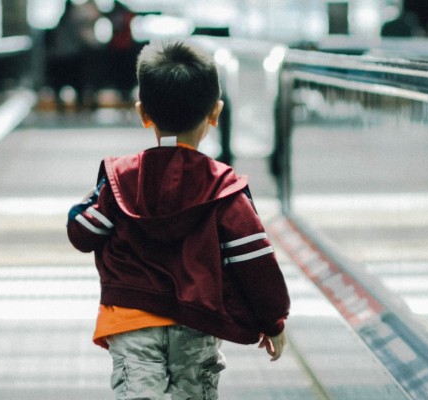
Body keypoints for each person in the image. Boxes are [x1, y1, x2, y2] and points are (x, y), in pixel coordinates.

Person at [66, 41, 290, 399]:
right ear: (215, 113)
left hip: (131, 319)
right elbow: (254, 261)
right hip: (196, 319)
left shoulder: (121, 179)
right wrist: (272, 320)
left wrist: (89, 201)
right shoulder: (224, 188)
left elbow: (83, 232)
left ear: (143, 113)